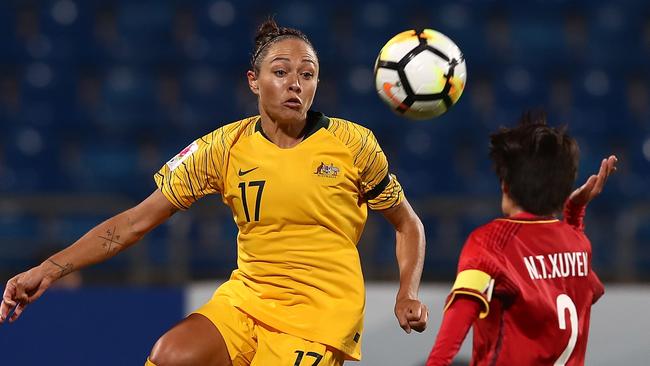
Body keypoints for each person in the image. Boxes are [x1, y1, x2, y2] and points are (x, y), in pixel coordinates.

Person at [0, 18, 429, 366]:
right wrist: (50, 269)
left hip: (319, 319)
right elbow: (134, 222)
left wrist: (406, 292)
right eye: (280, 72)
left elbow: (407, 223)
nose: (295, 83)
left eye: (307, 74)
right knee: (170, 355)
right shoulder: (223, 148)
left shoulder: (354, 144)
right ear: (253, 81)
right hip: (247, 301)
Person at [425, 111, 617, 365]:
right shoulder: (579, 244)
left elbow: (460, 316)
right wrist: (574, 212)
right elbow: (584, 292)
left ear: (505, 184)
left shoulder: (489, 242)